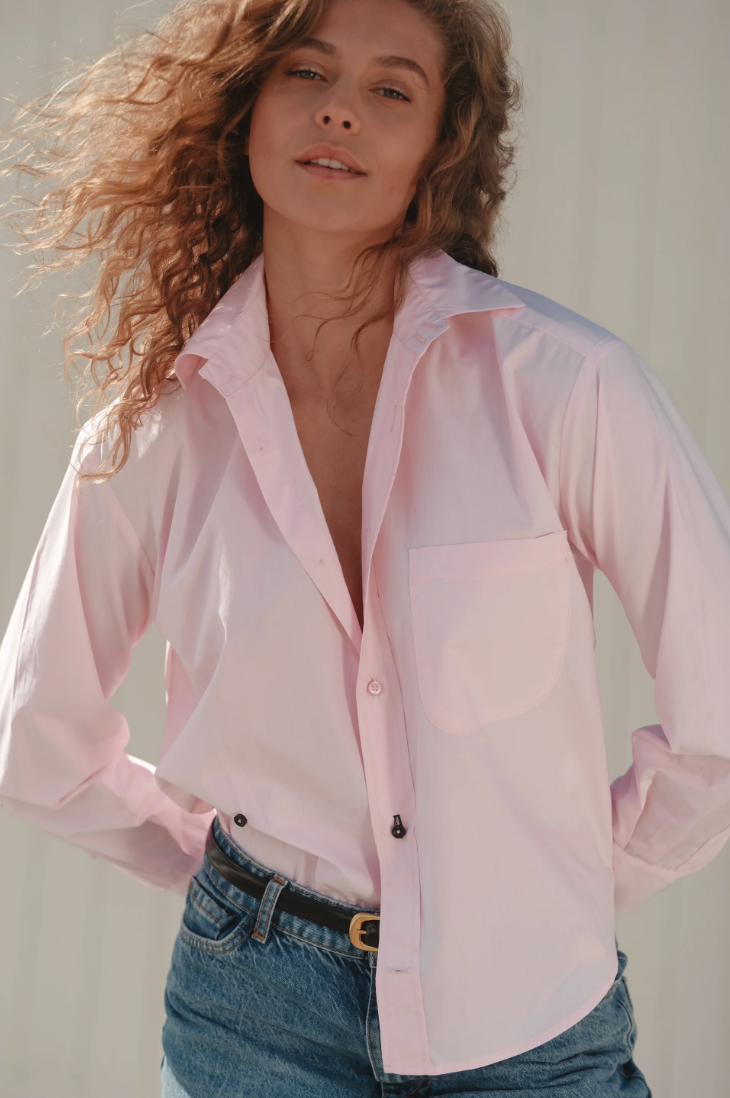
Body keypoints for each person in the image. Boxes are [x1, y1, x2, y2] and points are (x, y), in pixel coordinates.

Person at [2, 0, 730, 1093]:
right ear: (244, 108)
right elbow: (36, 738)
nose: (340, 109)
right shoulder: (154, 432)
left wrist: (559, 880)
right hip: (250, 1024)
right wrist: (224, 875)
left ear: (440, 146)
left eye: (391, 89)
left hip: (533, 1018)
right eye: (306, 72)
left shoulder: (564, 384)